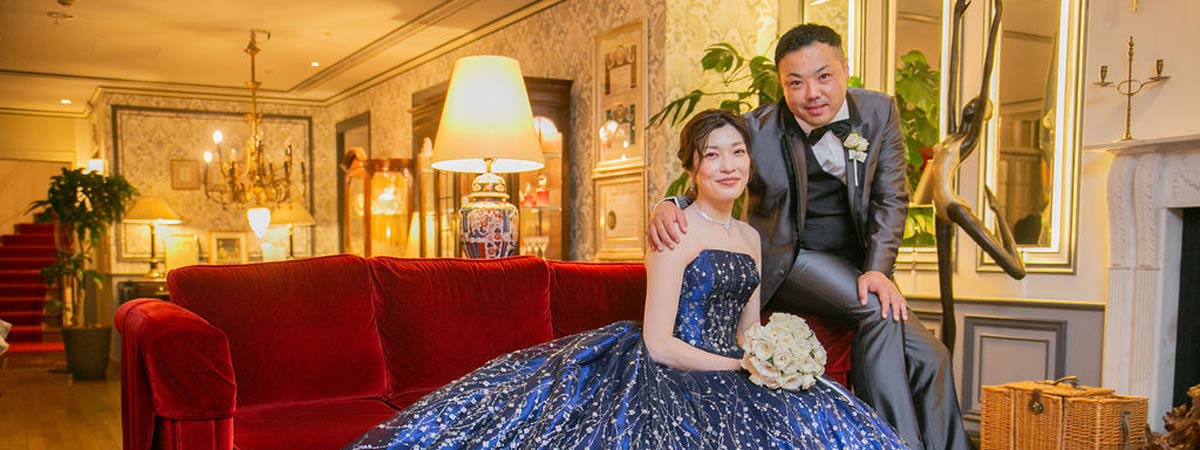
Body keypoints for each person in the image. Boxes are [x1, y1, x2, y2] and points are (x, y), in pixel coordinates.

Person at [346, 109, 906, 449]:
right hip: (668, 370)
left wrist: (773, 359)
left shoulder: (749, 237)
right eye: (713, 156)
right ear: (693, 168)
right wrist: (742, 367)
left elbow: (747, 329)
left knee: (825, 416)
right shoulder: (675, 229)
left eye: (738, 152)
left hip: (735, 366)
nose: (729, 165)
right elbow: (659, 343)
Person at [647, 24, 968, 450]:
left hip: (854, 264)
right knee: (874, 311)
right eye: (795, 83)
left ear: (845, 69)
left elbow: (891, 197)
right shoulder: (756, 128)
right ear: (781, 84)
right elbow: (713, 169)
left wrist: (877, 269)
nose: (811, 93)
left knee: (933, 356)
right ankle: (892, 443)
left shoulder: (879, 112)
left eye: (824, 76)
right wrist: (669, 203)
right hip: (790, 259)